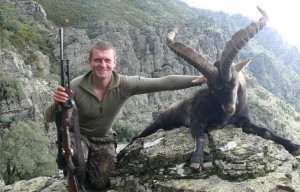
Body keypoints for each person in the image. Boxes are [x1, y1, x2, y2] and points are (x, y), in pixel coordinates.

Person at [44, 41, 204, 191]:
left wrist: (203, 79)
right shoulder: (76, 86)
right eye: (97, 60)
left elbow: (164, 82)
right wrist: (57, 104)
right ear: (90, 61)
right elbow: (49, 116)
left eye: (107, 60)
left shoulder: (125, 84)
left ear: (114, 62)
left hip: (103, 138)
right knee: (76, 160)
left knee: (102, 182)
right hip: (78, 135)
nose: (102, 65)